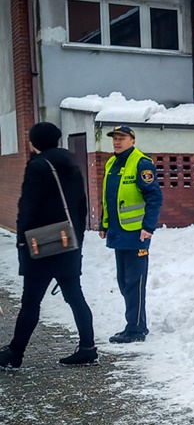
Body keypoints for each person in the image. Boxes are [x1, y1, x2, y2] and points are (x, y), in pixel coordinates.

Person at [0, 122, 97, 369]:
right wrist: (78, 242)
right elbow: (81, 207)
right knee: (76, 297)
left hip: (41, 247)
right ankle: (88, 348)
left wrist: (22, 242)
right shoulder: (71, 165)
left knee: (31, 302)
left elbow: (27, 209)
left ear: (35, 142)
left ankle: (14, 354)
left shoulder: (37, 166)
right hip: (68, 244)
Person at [100, 125, 162, 344]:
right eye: (115, 138)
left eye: (122, 138)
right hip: (118, 233)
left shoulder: (142, 164)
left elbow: (154, 197)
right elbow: (109, 197)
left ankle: (136, 329)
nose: (117, 142)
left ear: (132, 141)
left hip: (138, 234)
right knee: (124, 282)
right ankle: (134, 323)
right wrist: (104, 223)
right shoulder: (112, 163)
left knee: (135, 282)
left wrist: (148, 227)